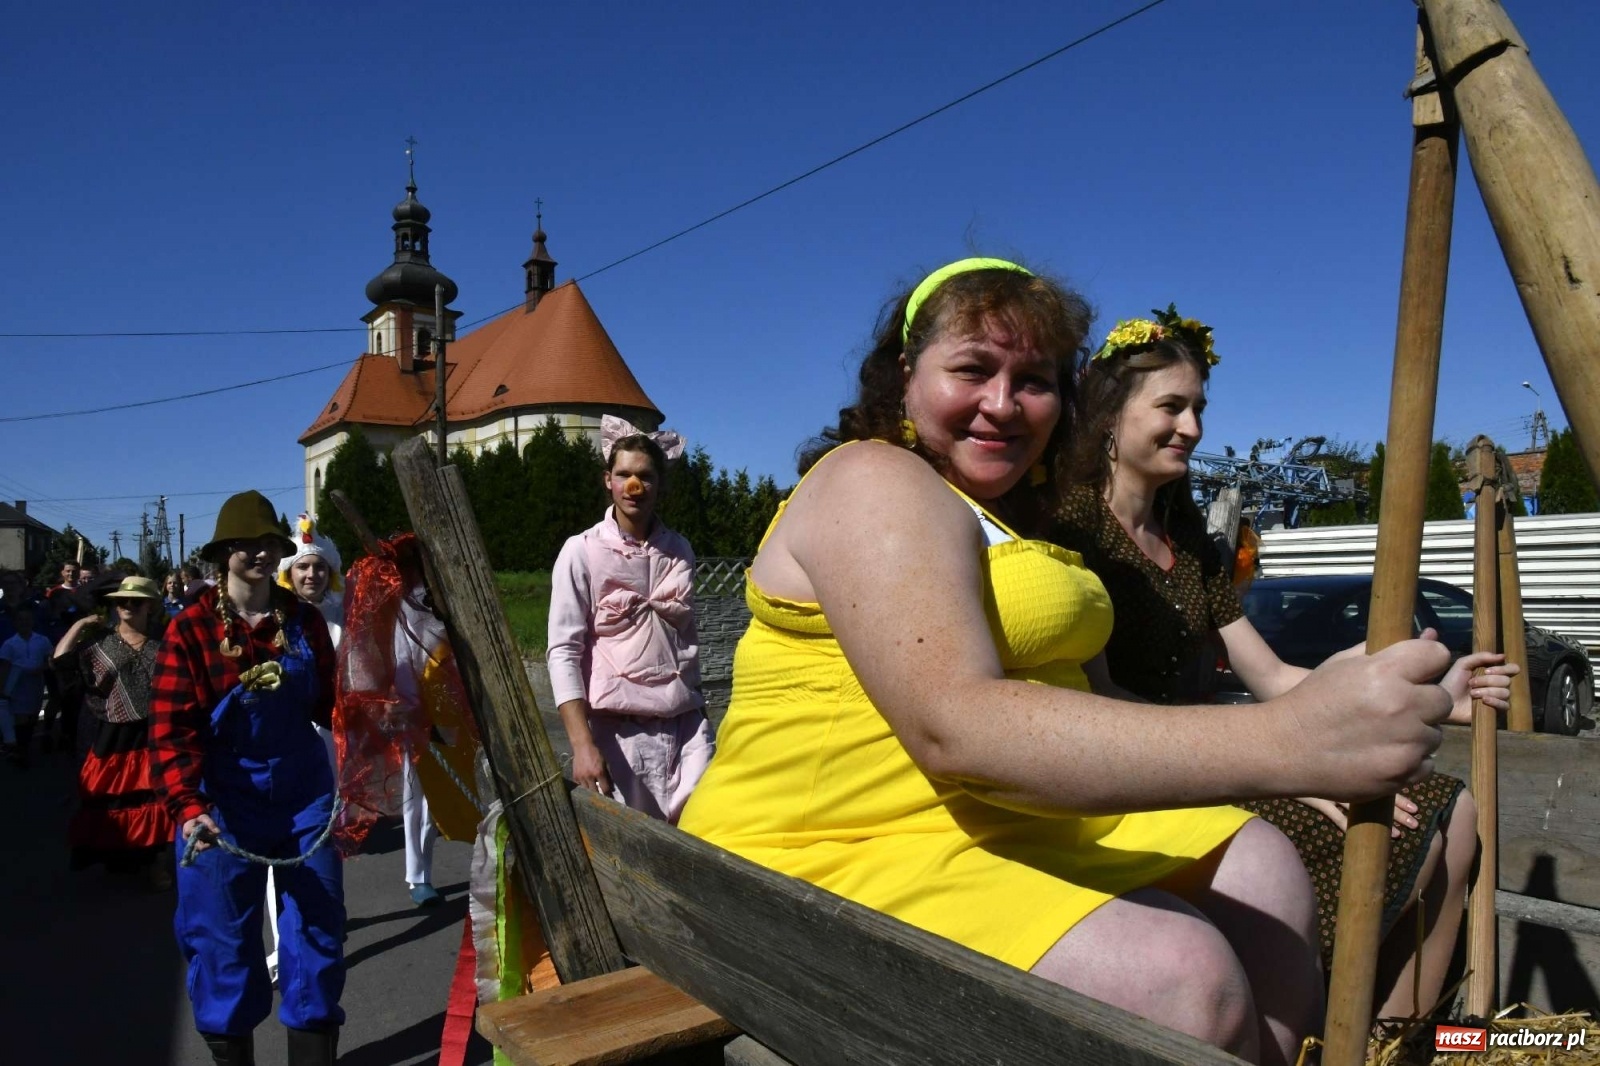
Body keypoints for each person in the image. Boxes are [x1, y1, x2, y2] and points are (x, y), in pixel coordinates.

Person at [679, 259, 1457, 1066]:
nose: (1003, 404)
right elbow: (959, 727)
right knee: (1183, 977)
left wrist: (1313, 727)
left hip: (999, 820)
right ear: (907, 375)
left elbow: (1102, 699)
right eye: (973, 368)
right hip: (827, 849)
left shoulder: (1017, 528)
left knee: (1264, 867)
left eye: (1036, 380)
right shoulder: (872, 480)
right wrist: (1294, 743)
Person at [1050, 307, 1509, 1019]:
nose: (1194, 428)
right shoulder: (1070, 532)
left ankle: (1394, 1038)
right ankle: (1322, 1023)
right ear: (1109, 416)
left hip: (1215, 762)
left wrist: (1431, 690)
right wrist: (1287, 763)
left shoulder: (1191, 549)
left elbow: (1275, 679)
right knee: (1355, 825)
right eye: (1171, 406)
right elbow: (1093, 704)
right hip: (1128, 779)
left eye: (1199, 407)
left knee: (1451, 806)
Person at [150, 491, 343, 1066]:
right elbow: (169, 729)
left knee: (317, 930)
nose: (260, 554)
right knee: (222, 942)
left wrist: (378, 717)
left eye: (269, 545)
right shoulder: (189, 629)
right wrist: (188, 806)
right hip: (221, 801)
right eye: (246, 546)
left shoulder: (304, 620)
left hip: (304, 793)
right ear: (224, 554)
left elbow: (331, 705)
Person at [547, 414, 711, 824]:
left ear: (660, 483)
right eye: (623, 475)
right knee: (636, 869)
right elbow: (563, 651)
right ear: (608, 480)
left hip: (687, 730)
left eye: (645, 476)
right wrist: (583, 746)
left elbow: (685, 637)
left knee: (708, 846)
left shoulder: (680, 550)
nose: (633, 486)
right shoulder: (580, 551)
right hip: (619, 737)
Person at [55, 576, 175, 888]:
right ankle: (120, 858)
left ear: (150, 605)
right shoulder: (99, 643)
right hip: (113, 733)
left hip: (155, 730)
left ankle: (156, 864)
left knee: (156, 799)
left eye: (135, 602)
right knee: (112, 803)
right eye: (121, 601)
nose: (127, 607)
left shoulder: (165, 639)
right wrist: (81, 624)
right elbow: (60, 661)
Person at [0, 603, 54, 767]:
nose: (25, 623)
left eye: (28, 620)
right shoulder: (10, 644)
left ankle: (24, 745)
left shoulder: (42, 640)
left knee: (32, 715)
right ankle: (21, 751)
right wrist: (2, 689)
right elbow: (5, 666)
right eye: (21, 620)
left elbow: (50, 660)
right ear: (15, 623)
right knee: (20, 716)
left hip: (35, 683)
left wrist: (42, 668)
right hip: (18, 685)